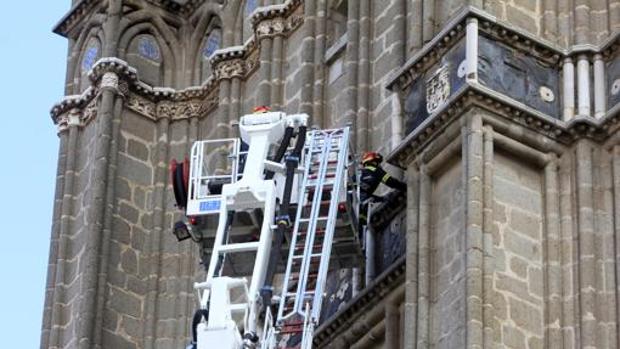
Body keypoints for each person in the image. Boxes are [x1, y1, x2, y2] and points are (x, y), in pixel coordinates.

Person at [358, 152, 406, 230]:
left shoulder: (359, 175)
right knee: (362, 226)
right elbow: (391, 182)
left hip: (357, 207)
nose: (379, 165)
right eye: (378, 162)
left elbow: (364, 195)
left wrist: (382, 199)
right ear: (373, 162)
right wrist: (406, 187)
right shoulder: (375, 170)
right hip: (361, 208)